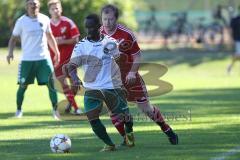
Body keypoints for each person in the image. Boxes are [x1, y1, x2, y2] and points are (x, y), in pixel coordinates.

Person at [100, 4, 178, 145]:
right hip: (111, 79)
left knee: (146, 109)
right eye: (104, 19)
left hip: (130, 77)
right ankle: (127, 139)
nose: (107, 22)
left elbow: (137, 55)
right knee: (114, 111)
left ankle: (167, 130)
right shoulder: (98, 35)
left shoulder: (126, 34)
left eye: (110, 19)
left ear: (116, 19)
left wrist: (132, 73)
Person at [66, 13, 134, 152]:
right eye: (87, 28)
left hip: (111, 86)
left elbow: (119, 63)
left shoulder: (110, 42)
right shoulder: (81, 45)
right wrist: (74, 78)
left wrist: (122, 84)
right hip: (92, 88)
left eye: (91, 27)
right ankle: (109, 144)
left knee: (125, 116)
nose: (89, 30)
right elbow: (71, 66)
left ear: (99, 27)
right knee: (92, 118)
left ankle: (129, 133)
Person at [7, 0, 60, 120]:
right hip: (27, 60)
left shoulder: (45, 19)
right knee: (23, 86)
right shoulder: (21, 21)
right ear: (26, 6)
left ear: (39, 5)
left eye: (35, 3)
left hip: (43, 59)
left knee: (51, 85)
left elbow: (50, 37)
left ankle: (55, 111)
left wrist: (57, 52)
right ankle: (19, 110)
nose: (34, 5)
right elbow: (13, 39)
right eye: (31, 3)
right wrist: (10, 52)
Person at [47, 0, 82, 114]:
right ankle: (76, 108)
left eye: (57, 8)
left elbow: (76, 39)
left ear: (61, 9)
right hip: (56, 60)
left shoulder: (68, 22)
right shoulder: (47, 24)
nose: (55, 10)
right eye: (53, 9)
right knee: (64, 85)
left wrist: (61, 41)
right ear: (49, 11)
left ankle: (70, 104)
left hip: (69, 59)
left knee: (74, 84)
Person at [227, 6, 240, 74]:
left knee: (238, 56)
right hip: (238, 40)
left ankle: (230, 66)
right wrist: (230, 39)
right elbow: (231, 30)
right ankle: (230, 66)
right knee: (238, 55)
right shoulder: (235, 19)